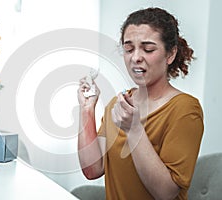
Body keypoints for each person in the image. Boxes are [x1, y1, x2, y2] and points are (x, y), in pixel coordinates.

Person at [77, 7, 204, 200]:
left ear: (170, 55)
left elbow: (166, 192)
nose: (135, 57)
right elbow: (93, 169)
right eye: (129, 49)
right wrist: (86, 110)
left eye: (148, 49)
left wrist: (134, 129)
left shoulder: (185, 109)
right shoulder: (117, 105)